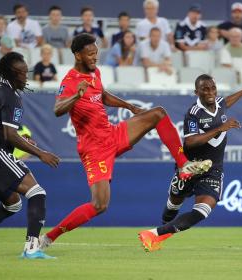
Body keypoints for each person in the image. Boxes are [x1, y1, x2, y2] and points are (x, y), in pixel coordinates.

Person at [38, 34, 211, 250]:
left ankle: (183, 165)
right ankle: (48, 238)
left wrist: (129, 106)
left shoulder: (95, 73)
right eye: (90, 54)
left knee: (158, 113)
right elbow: (57, 109)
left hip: (112, 134)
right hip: (94, 149)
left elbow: (102, 95)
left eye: (96, 54)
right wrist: (76, 96)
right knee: (100, 205)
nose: (94, 58)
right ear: (77, 55)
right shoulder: (70, 82)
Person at [138, 75, 242, 251]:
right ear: (196, 92)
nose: (210, 92)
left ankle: (153, 234)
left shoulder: (220, 103)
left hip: (212, 170)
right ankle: (159, 234)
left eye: (213, 88)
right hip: (190, 167)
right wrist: (220, 128)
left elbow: (228, 100)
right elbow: (190, 142)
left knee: (202, 211)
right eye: (205, 89)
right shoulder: (193, 113)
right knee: (173, 204)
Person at [0, 52, 60, 258]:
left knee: (12, 203)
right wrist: (41, 153)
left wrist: (22, 142)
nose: (26, 77)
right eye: (22, 73)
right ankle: (31, 249)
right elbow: (10, 135)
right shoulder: (11, 94)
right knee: (37, 193)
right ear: (12, 74)